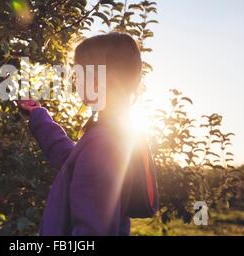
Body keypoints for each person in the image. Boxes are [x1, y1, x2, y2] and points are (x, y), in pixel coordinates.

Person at [18, 32, 159, 236]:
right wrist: (39, 116)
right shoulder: (114, 132)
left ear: (104, 79)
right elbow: (72, 159)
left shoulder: (104, 143)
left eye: (79, 74)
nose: (76, 81)